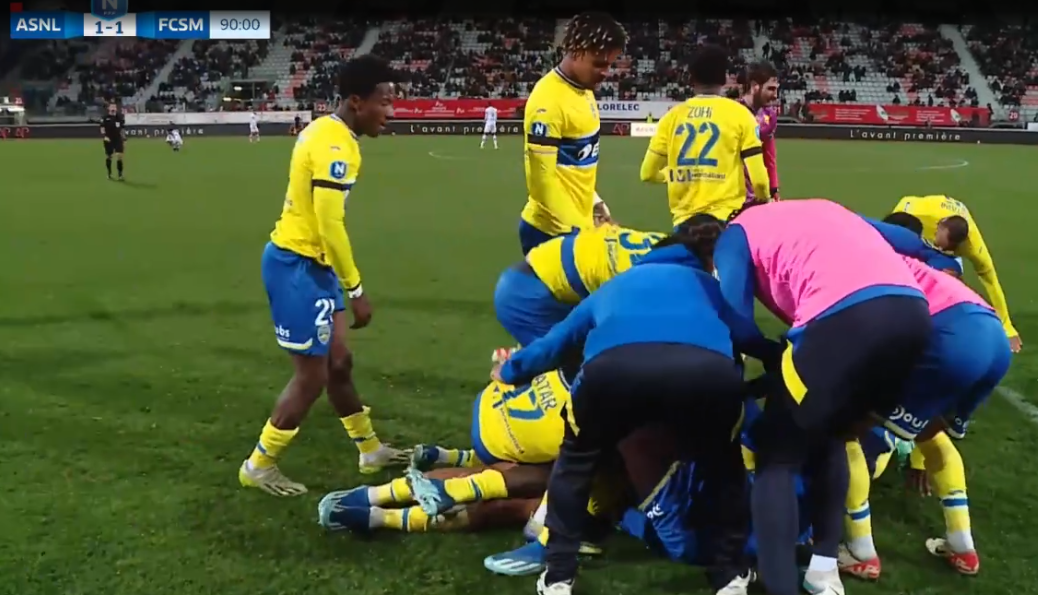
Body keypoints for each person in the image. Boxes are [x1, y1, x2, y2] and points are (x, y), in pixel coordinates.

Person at [491, 225, 771, 595]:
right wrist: (784, 356)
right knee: (723, 468)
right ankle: (730, 574)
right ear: (703, 261)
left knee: (574, 465)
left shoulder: (614, 285)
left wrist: (510, 371)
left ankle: (559, 576)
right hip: (705, 374)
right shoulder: (708, 287)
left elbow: (554, 343)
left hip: (611, 373)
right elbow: (748, 337)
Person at [705, 199, 933, 595]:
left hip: (843, 318)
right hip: (913, 314)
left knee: (779, 452)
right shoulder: (824, 208)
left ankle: (780, 584)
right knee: (832, 434)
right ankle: (824, 571)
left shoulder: (736, 234)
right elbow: (906, 240)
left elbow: (735, 320)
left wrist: (772, 354)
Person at [239, 55, 408, 498]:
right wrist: (356, 289)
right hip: (297, 266)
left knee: (339, 363)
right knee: (311, 376)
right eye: (384, 102)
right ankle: (258, 465)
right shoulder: (335, 147)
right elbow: (330, 225)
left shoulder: (330, 133)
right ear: (356, 101)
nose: (390, 111)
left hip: (315, 265)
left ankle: (369, 450)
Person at [839, 255, 1010, 579]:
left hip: (951, 337)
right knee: (929, 432)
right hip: (994, 340)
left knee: (849, 431)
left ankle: (861, 552)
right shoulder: (912, 265)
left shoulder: (867, 267)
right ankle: (962, 545)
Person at [324, 367, 577, 529]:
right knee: (537, 492)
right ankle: (386, 517)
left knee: (521, 479)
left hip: (498, 409)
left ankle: (378, 500)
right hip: (550, 438)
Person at [520, 11, 627, 255]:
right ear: (576, 51)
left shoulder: (584, 89)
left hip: (577, 227)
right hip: (550, 232)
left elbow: (576, 168)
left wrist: (595, 204)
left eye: (609, 64)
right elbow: (542, 184)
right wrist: (580, 231)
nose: (606, 72)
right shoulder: (548, 101)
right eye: (599, 64)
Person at [638, 44, 770, 228]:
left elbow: (647, 173)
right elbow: (760, 182)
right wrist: (764, 200)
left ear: (691, 78)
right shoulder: (741, 115)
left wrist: (669, 175)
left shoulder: (671, 117)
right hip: (727, 218)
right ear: (724, 78)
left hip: (684, 221)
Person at [495, 225, 665, 346]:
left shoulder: (663, 245)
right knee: (576, 371)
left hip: (539, 278)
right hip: (527, 296)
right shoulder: (644, 280)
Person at [891, 195, 1021, 351]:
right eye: (942, 241)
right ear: (939, 226)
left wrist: (1008, 327)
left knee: (947, 277)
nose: (943, 247)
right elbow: (901, 208)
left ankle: (933, 316)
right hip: (920, 240)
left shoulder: (973, 248)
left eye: (950, 247)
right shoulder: (920, 210)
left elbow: (990, 280)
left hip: (939, 256)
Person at [736, 61, 781, 202]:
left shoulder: (769, 116)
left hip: (756, 195)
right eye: (771, 89)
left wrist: (774, 188)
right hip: (730, 195)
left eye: (776, 89)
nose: (775, 95)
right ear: (755, 86)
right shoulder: (733, 112)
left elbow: (769, 155)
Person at [100, 102, 125, 181]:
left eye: (115, 107)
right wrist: (105, 136)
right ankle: (109, 173)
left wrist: (124, 138)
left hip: (118, 139)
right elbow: (102, 129)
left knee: (119, 156)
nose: (114, 108)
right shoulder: (105, 118)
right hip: (108, 139)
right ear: (109, 108)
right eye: (112, 107)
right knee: (109, 156)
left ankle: (120, 174)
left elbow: (122, 129)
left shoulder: (119, 118)